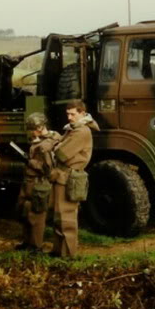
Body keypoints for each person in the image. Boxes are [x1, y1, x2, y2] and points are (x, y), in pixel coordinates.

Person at [49, 100, 99, 257]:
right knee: (59, 215)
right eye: (68, 114)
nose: (69, 117)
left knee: (67, 216)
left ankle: (69, 254)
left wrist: (55, 147)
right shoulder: (73, 129)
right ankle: (58, 251)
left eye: (73, 114)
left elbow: (62, 153)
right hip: (63, 175)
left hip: (69, 177)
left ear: (82, 114)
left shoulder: (81, 131)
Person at [16, 112, 60, 252]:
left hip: (38, 182)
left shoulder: (45, 145)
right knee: (26, 211)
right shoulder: (43, 140)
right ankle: (27, 241)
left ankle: (35, 245)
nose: (31, 132)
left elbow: (46, 168)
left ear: (40, 127)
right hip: (30, 181)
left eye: (32, 129)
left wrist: (30, 162)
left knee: (36, 215)